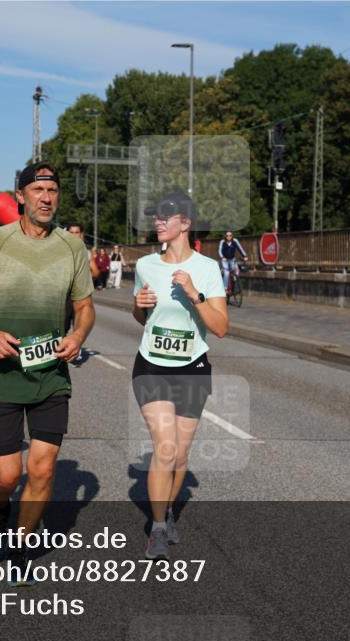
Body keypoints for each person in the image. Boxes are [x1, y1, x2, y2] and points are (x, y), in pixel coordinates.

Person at [0, 161, 94, 585]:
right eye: (38, 190)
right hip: (2, 373)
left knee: (45, 469)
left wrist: (79, 334)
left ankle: (21, 544)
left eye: (52, 191)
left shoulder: (72, 248)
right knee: (8, 475)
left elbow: (85, 307)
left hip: (51, 372)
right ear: (21, 196)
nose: (47, 198)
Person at [133, 192, 227, 559]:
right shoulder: (144, 265)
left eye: (165, 217)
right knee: (165, 448)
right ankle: (156, 529)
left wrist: (194, 294)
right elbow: (143, 319)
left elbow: (220, 328)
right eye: (155, 217)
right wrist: (137, 308)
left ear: (185, 223)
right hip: (151, 364)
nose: (158, 222)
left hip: (193, 368)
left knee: (181, 455)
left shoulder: (207, 268)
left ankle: (169, 509)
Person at [65, 224, 97, 366]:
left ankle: (74, 351)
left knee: (78, 324)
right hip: (63, 295)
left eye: (77, 232)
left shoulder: (86, 252)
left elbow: (95, 272)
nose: (74, 235)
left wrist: (83, 277)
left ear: (81, 235)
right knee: (62, 326)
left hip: (79, 295)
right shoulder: (60, 249)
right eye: (71, 232)